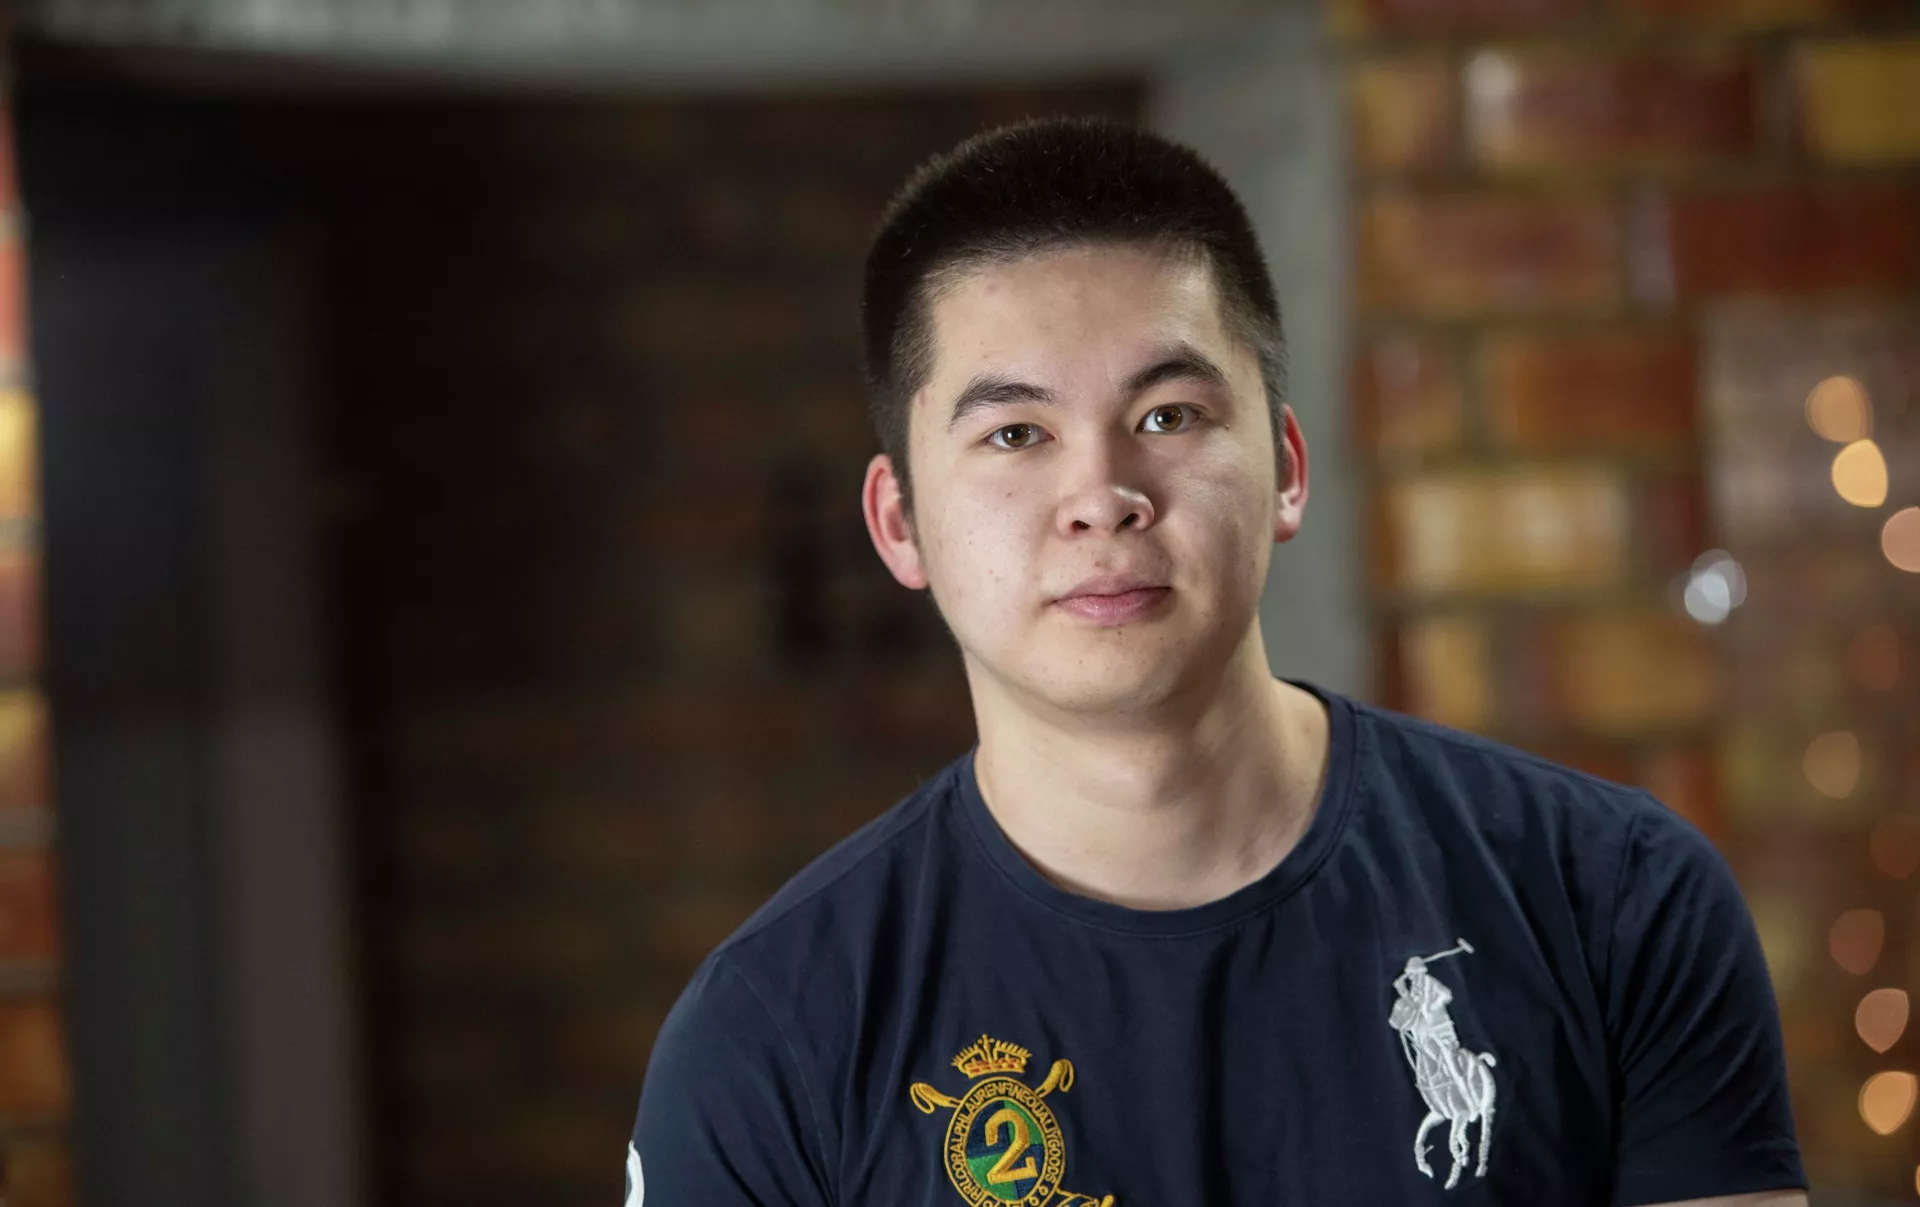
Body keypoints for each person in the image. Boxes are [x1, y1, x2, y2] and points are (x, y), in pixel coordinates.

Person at [625, 117, 1807, 1206]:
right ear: (900, 523)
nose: (1102, 496)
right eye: (1016, 433)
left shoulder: (1612, 902)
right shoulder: (772, 1037)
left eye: (1168, 416)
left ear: (1287, 467)